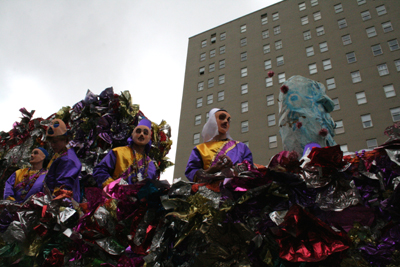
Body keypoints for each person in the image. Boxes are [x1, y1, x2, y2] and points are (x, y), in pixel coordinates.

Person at [185, 108, 253, 182]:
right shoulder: (200, 149)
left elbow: (250, 170)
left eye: (228, 119)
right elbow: (192, 173)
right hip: (206, 191)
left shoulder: (241, 147)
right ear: (212, 121)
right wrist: (212, 169)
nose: (226, 121)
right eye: (221, 118)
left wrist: (233, 168)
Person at [93, 118, 158, 187]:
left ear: (149, 138)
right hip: (114, 195)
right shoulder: (118, 152)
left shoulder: (151, 165)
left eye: (145, 133)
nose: (141, 134)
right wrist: (114, 186)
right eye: (138, 131)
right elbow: (100, 170)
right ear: (132, 135)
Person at [45, 119, 82, 202]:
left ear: (65, 140)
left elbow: (64, 189)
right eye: (50, 142)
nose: (52, 145)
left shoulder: (67, 160)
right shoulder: (62, 154)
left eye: (55, 142)